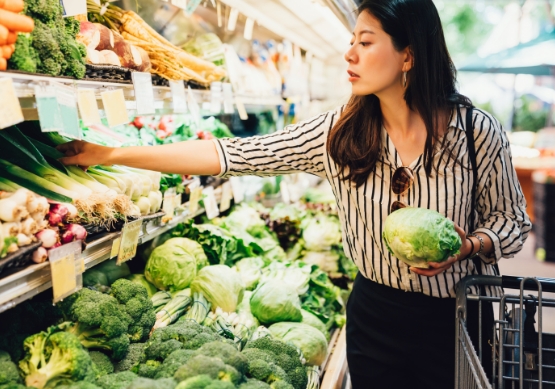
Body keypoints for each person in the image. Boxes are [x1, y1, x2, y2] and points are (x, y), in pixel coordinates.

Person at [58, 0, 531, 387]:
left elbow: (512, 224)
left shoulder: (474, 133)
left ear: (408, 55)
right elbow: (231, 154)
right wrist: (110, 153)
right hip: (377, 317)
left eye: (365, 43)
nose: (350, 55)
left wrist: (468, 245)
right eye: (351, 42)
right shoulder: (340, 136)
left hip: (457, 321)